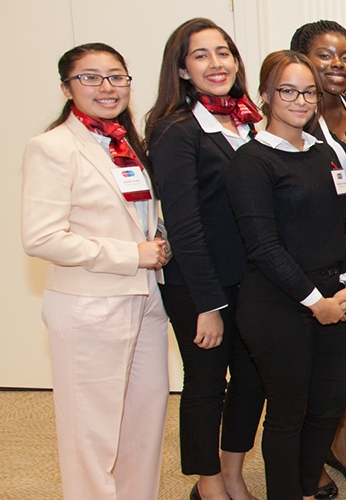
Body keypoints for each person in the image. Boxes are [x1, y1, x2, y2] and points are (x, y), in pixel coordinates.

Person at [22, 42, 170, 500]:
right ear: (67, 87)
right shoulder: (52, 147)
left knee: (143, 427)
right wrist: (133, 255)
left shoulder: (127, 144)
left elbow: (135, 213)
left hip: (146, 301)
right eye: (90, 77)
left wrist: (158, 238)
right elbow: (41, 237)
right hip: (90, 306)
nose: (106, 87)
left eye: (117, 77)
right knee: (91, 432)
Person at [226, 50, 346, 500]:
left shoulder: (326, 153)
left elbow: (344, 221)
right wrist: (314, 301)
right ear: (265, 95)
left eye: (309, 91)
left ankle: (304, 488)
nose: (300, 100)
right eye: (288, 90)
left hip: (333, 297)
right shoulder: (251, 161)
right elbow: (263, 246)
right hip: (276, 303)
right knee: (289, 412)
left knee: (328, 406)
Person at [145, 18, 265, 500]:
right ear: (180, 69)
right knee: (206, 382)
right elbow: (185, 223)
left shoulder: (245, 121)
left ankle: (233, 472)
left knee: (253, 378)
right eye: (201, 55)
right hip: (199, 284)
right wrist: (208, 303)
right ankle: (209, 484)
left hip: (250, 279)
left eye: (224, 53)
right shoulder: (175, 129)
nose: (217, 64)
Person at [290, 20, 346, 499]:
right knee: (309, 357)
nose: (338, 65)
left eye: (344, 56)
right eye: (325, 56)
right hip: (310, 252)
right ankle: (309, 450)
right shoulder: (291, 116)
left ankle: (338, 443)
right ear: (301, 60)